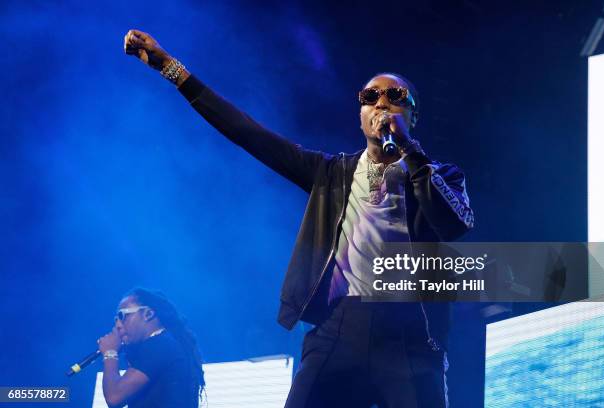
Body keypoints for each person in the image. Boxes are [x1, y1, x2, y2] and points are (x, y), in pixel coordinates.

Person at [122, 29, 474, 408]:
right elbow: (245, 131)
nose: (382, 104)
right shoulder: (331, 173)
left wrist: (410, 150)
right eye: (370, 97)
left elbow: (454, 222)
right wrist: (169, 68)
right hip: (339, 328)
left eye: (395, 97)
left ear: (412, 116)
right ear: (360, 115)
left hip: (409, 331)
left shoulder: (438, 174)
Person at [97, 288, 205, 408]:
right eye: (116, 319)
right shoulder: (166, 343)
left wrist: (110, 353)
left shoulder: (159, 346)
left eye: (123, 316)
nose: (117, 325)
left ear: (148, 314)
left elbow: (114, 397)